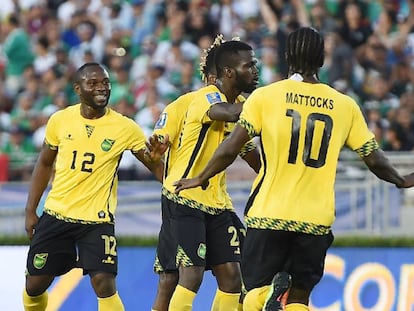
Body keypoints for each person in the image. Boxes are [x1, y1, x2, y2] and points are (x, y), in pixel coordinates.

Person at [173, 27, 414, 311]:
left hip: (270, 214)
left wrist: (200, 177)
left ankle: (267, 297)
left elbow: (230, 147)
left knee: (250, 294)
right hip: (316, 220)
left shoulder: (267, 97)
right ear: (322, 60)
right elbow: (374, 159)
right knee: (299, 297)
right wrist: (402, 180)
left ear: (288, 57)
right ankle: (280, 296)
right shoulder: (345, 106)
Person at [23, 62, 165, 311]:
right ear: (78, 89)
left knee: (103, 282)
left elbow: (154, 165)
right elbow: (44, 163)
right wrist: (30, 210)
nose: (101, 88)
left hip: (97, 221)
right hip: (58, 214)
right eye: (93, 83)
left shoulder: (125, 126)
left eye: (105, 83)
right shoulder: (60, 120)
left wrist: (176, 185)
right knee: (34, 285)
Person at [150, 35, 260, 311]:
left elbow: (250, 155)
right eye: (249, 66)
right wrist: (272, 102)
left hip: (217, 204)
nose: (255, 71)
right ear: (226, 72)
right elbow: (225, 112)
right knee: (187, 275)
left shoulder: (240, 105)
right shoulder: (205, 98)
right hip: (184, 198)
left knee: (233, 277)